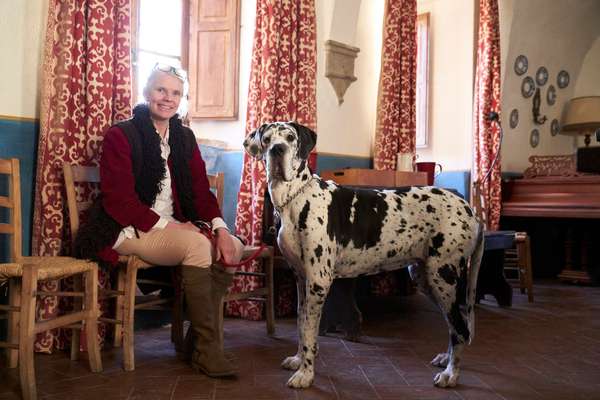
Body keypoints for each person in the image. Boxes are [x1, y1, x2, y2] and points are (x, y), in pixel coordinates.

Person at [75, 63, 244, 377]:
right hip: (125, 227)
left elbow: (200, 192)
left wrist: (219, 228)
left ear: (182, 99)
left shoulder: (184, 138)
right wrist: (175, 226)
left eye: (176, 93)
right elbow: (118, 200)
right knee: (195, 244)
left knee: (231, 245)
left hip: (169, 229)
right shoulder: (121, 134)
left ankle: (197, 340)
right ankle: (208, 350)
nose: (168, 98)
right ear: (146, 92)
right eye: (161, 90)